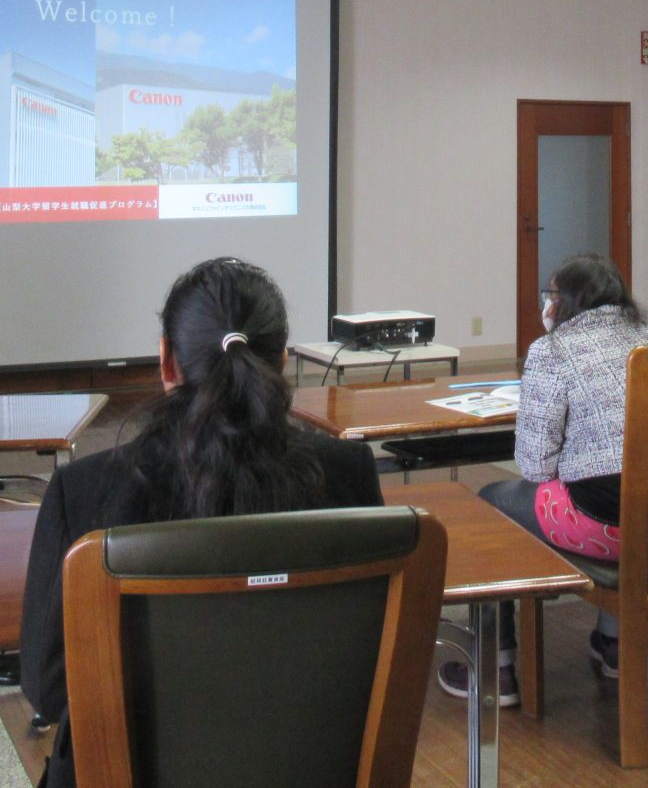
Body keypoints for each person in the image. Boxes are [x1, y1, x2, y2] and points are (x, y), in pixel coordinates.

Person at [21, 258, 380, 788]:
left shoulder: (84, 491)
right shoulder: (350, 473)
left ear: (167, 361)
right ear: (282, 361)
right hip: (312, 767)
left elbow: (49, 688)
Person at [438, 253, 648, 705]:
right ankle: (615, 644)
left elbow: (535, 467)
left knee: (493, 500)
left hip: (604, 526)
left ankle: (496, 667)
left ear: (568, 300)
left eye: (551, 295)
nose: (547, 304)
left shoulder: (553, 350)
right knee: (628, 489)